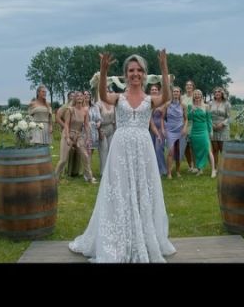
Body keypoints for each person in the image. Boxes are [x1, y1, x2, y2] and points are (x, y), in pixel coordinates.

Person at [68, 49, 176, 263]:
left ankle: (143, 238)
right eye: (131, 70)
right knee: (120, 190)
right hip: (121, 149)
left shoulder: (149, 99)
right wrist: (103, 70)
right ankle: (118, 239)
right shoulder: (118, 97)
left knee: (142, 189)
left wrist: (164, 68)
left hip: (143, 150)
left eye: (139, 70)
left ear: (144, 74)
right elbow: (103, 96)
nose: (135, 73)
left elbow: (167, 96)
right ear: (126, 74)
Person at [187, 89, 216, 178]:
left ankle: (213, 170)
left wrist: (210, 131)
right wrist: (191, 111)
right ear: (194, 96)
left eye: (199, 94)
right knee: (196, 150)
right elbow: (189, 118)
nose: (197, 96)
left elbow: (209, 119)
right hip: (194, 130)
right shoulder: (190, 106)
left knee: (207, 149)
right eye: (195, 94)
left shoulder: (206, 106)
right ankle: (200, 169)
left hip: (204, 130)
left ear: (201, 96)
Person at [209, 86, 232, 170]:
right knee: (214, 149)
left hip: (223, 128)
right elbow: (208, 116)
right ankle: (215, 167)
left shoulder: (227, 103)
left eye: (219, 92)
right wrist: (211, 124)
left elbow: (229, 118)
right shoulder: (210, 103)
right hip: (213, 128)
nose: (217, 93)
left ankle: (225, 167)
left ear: (222, 94)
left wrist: (222, 124)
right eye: (215, 92)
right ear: (214, 94)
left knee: (223, 149)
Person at [148, 84, 167, 176]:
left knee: (159, 148)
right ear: (150, 91)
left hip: (161, 127)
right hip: (150, 128)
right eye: (152, 89)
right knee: (151, 150)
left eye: (156, 89)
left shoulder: (162, 101)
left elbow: (164, 114)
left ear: (158, 91)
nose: (154, 91)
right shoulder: (148, 101)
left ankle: (163, 169)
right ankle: (153, 170)